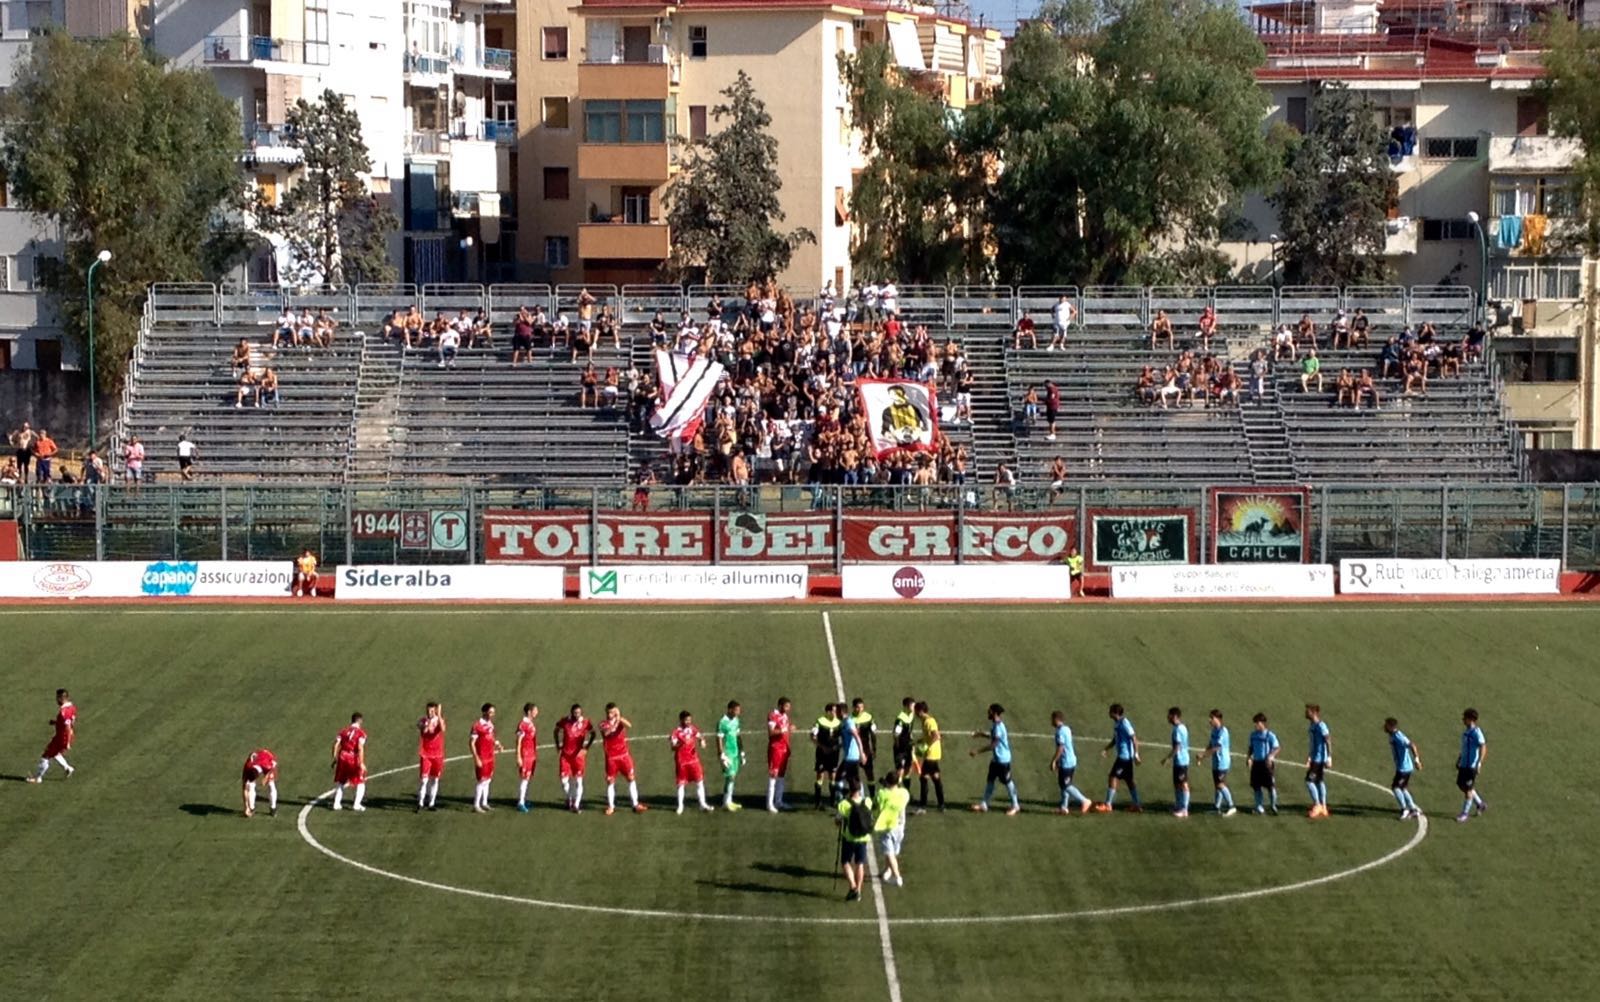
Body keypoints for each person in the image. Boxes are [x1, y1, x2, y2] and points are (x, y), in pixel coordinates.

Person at [970, 703, 1020, 815]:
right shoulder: (995, 725)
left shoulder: (998, 727)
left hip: (1003, 760)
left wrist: (977, 751)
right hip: (996, 760)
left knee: (1008, 782)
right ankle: (984, 804)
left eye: (989, 711)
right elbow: (994, 737)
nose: (988, 713)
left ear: (994, 713)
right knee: (990, 781)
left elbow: (994, 744)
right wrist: (982, 734)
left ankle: (1015, 805)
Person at [600, 703, 647, 815]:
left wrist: (619, 717)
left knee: (631, 778)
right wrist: (616, 721)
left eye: (613, 711)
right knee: (610, 781)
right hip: (612, 758)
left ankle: (635, 804)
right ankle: (611, 807)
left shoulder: (620, 720)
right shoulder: (603, 724)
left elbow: (629, 725)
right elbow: (607, 733)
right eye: (609, 712)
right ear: (606, 712)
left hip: (624, 756)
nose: (611, 714)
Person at [1095, 703, 1142, 813]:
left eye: (1110, 711)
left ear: (1115, 713)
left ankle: (1108, 805)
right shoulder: (1117, 724)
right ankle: (1137, 804)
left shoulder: (1125, 723)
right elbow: (1115, 740)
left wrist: (1136, 754)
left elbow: (1134, 738)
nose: (1108, 713)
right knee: (1129, 780)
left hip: (1124, 757)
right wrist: (1106, 749)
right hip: (1125, 757)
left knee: (1113, 777)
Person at [836, 779, 874, 902]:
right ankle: (858, 890)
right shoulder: (867, 801)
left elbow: (837, 821)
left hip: (849, 837)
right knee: (860, 864)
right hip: (863, 838)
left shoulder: (843, 804)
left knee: (845, 862)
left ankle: (852, 886)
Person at [27, 688, 77, 783]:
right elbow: (70, 722)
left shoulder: (63, 711)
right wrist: (56, 722)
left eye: (57, 698)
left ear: (61, 698)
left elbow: (68, 726)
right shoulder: (72, 707)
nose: (56, 700)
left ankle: (38, 778)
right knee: (55, 753)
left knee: (45, 756)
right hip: (66, 735)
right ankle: (68, 768)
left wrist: (67, 743)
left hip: (63, 737)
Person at [669, 711, 713, 813]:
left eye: (690, 720)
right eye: (686, 720)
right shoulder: (675, 732)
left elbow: (700, 736)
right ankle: (680, 806)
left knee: (699, 782)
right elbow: (673, 747)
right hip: (682, 762)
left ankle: (703, 804)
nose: (689, 722)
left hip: (694, 761)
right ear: (681, 720)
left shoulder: (692, 729)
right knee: (681, 784)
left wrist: (702, 741)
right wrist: (680, 744)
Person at [874, 770, 911, 887]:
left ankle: (897, 876)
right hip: (900, 827)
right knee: (892, 851)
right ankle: (888, 870)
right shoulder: (904, 793)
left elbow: (878, 804)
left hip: (888, 826)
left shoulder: (882, 793)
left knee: (889, 852)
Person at [555, 704, 595, 813]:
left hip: (578, 757)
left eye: (579, 712)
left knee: (578, 780)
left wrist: (586, 748)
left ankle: (576, 805)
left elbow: (593, 734)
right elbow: (556, 730)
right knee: (564, 781)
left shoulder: (586, 722)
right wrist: (558, 745)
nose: (577, 715)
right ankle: (570, 798)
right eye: (575, 713)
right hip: (565, 756)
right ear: (572, 712)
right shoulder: (565, 721)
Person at [1050, 710, 1091, 815]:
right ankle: (1064, 807)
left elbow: (1061, 748)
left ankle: (1084, 801)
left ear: (1056, 719)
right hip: (1071, 760)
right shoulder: (1066, 728)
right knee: (1063, 784)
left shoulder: (1060, 732)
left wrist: (1054, 760)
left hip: (1066, 762)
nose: (1051, 722)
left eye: (1052, 719)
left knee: (1066, 785)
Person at [1199, 710, 1238, 816]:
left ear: (1218, 719)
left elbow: (1217, 747)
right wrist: (1203, 753)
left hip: (1223, 762)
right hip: (1216, 762)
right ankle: (1217, 807)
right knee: (1217, 785)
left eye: (1212, 718)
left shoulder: (1223, 731)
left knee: (1220, 784)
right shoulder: (1214, 731)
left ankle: (1231, 806)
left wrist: (1204, 755)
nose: (1209, 720)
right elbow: (1211, 744)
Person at [1384, 717, 1423, 820]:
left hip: (1404, 768)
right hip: (1403, 767)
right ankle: (1413, 809)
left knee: (1395, 788)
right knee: (1403, 788)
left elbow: (1412, 746)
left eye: (1386, 725)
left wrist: (1417, 760)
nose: (1384, 727)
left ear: (1391, 727)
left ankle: (1404, 809)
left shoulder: (1398, 736)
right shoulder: (1393, 735)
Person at [469, 703, 505, 814]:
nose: (492, 714)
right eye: (490, 712)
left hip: (490, 756)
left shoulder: (490, 724)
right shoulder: (477, 726)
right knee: (482, 781)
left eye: (493, 712)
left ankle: (484, 803)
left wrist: (498, 744)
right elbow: (471, 743)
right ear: (484, 712)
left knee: (488, 780)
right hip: (482, 757)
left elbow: (492, 736)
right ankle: (476, 804)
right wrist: (476, 758)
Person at [330, 712, 367, 812]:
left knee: (341, 782)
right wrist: (361, 763)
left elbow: (336, 744)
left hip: (342, 756)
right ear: (360, 721)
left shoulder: (343, 731)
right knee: (360, 782)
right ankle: (357, 804)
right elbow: (360, 748)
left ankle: (336, 803)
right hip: (352, 758)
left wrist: (334, 758)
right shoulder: (361, 733)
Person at [912, 700, 945, 813]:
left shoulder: (929, 721)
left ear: (920, 711)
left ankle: (923, 806)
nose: (915, 713)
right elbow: (930, 736)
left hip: (930, 754)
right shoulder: (925, 721)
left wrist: (926, 746)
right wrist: (920, 740)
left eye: (916, 711)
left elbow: (936, 736)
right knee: (935, 778)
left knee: (924, 778)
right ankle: (941, 804)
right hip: (934, 754)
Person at [1455, 708, 1488, 823]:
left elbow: (1483, 747)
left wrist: (1479, 762)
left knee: (1468, 789)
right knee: (1461, 784)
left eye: (1465, 718)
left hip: (1471, 766)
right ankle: (1480, 804)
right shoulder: (1466, 732)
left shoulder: (1476, 733)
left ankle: (1465, 813)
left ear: (1471, 720)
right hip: (1464, 764)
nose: (1463, 720)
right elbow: (1464, 748)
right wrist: (1459, 759)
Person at [1160, 706, 1192, 818]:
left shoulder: (1178, 729)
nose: (1167, 718)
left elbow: (1177, 747)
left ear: (1174, 716)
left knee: (1183, 784)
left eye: (1169, 715)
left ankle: (1184, 809)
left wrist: (1168, 758)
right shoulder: (1182, 727)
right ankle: (1179, 806)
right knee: (1178, 784)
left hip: (1181, 760)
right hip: (1180, 761)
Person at [810, 702, 842, 809]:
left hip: (834, 753)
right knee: (820, 775)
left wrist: (839, 746)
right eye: (833, 711)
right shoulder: (820, 721)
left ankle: (832, 802)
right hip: (822, 754)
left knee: (832, 776)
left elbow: (843, 737)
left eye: (836, 711)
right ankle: (817, 802)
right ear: (828, 712)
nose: (835, 713)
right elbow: (812, 736)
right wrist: (821, 747)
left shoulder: (839, 723)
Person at [416, 701, 447, 812]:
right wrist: (429, 722)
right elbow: (425, 730)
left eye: (432, 710)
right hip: (426, 755)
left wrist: (439, 716)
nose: (430, 712)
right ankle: (420, 802)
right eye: (428, 710)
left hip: (438, 755)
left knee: (435, 780)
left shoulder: (439, 720)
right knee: (424, 780)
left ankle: (431, 803)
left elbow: (443, 729)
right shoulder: (422, 721)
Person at [1247, 712, 1280, 815]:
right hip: (1256, 763)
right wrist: (1249, 757)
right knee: (1256, 786)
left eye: (1257, 723)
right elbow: (1251, 747)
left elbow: (1277, 747)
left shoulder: (1269, 735)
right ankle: (1259, 807)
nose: (1255, 725)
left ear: (1262, 723)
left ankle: (1273, 805)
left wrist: (1270, 756)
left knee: (1270, 786)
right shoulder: (1253, 735)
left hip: (1266, 764)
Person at [766, 696, 794, 813]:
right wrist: (784, 729)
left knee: (781, 776)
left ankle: (779, 801)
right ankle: (769, 803)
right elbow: (771, 732)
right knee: (774, 775)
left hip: (784, 749)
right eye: (786, 706)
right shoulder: (773, 715)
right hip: (775, 749)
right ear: (780, 705)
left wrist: (789, 730)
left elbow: (786, 730)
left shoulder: (785, 716)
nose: (788, 709)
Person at [1305, 704, 1332, 819]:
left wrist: (1329, 757)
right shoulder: (1312, 725)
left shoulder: (1321, 726)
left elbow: (1328, 740)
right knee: (1319, 781)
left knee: (1309, 781)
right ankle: (1324, 807)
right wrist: (1309, 756)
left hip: (1319, 759)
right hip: (1315, 758)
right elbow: (1313, 743)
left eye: (1308, 711)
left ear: (1314, 713)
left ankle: (1317, 804)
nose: (1306, 713)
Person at [717, 700, 745, 812]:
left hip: (735, 753)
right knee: (730, 777)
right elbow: (719, 738)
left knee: (732, 778)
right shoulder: (722, 722)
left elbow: (738, 736)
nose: (738, 712)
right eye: (737, 710)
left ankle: (728, 801)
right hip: (727, 754)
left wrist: (742, 752)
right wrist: (721, 754)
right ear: (730, 710)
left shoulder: (736, 720)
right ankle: (726, 802)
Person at [851, 697, 878, 796]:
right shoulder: (850, 719)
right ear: (853, 708)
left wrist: (874, 749)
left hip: (866, 749)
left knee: (870, 773)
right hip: (854, 750)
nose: (860, 710)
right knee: (855, 774)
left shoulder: (868, 717)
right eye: (858, 707)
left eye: (862, 707)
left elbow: (873, 734)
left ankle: (872, 796)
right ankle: (857, 795)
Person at [241, 748, 279, 818]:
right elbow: (245, 789)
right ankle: (251, 808)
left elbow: (273, 766)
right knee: (250, 786)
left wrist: (266, 777)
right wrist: (246, 807)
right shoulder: (247, 767)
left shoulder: (267, 764)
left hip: (267, 759)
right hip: (258, 761)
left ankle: (273, 808)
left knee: (271, 784)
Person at [515, 703, 539, 812]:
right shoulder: (523, 724)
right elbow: (518, 741)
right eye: (535, 710)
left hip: (531, 754)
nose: (537, 712)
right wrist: (518, 756)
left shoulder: (529, 723)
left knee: (527, 778)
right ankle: (520, 802)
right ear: (529, 712)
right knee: (524, 778)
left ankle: (523, 799)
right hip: (525, 755)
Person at [891, 697, 916, 776]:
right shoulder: (900, 719)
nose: (914, 708)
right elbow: (896, 734)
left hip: (909, 745)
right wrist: (898, 745)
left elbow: (910, 731)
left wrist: (912, 742)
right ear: (906, 706)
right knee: (900, 769)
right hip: (901, 747)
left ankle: (906, 787)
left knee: (908, 768)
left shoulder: (911, 715)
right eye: (912, 706)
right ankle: (896, 785)